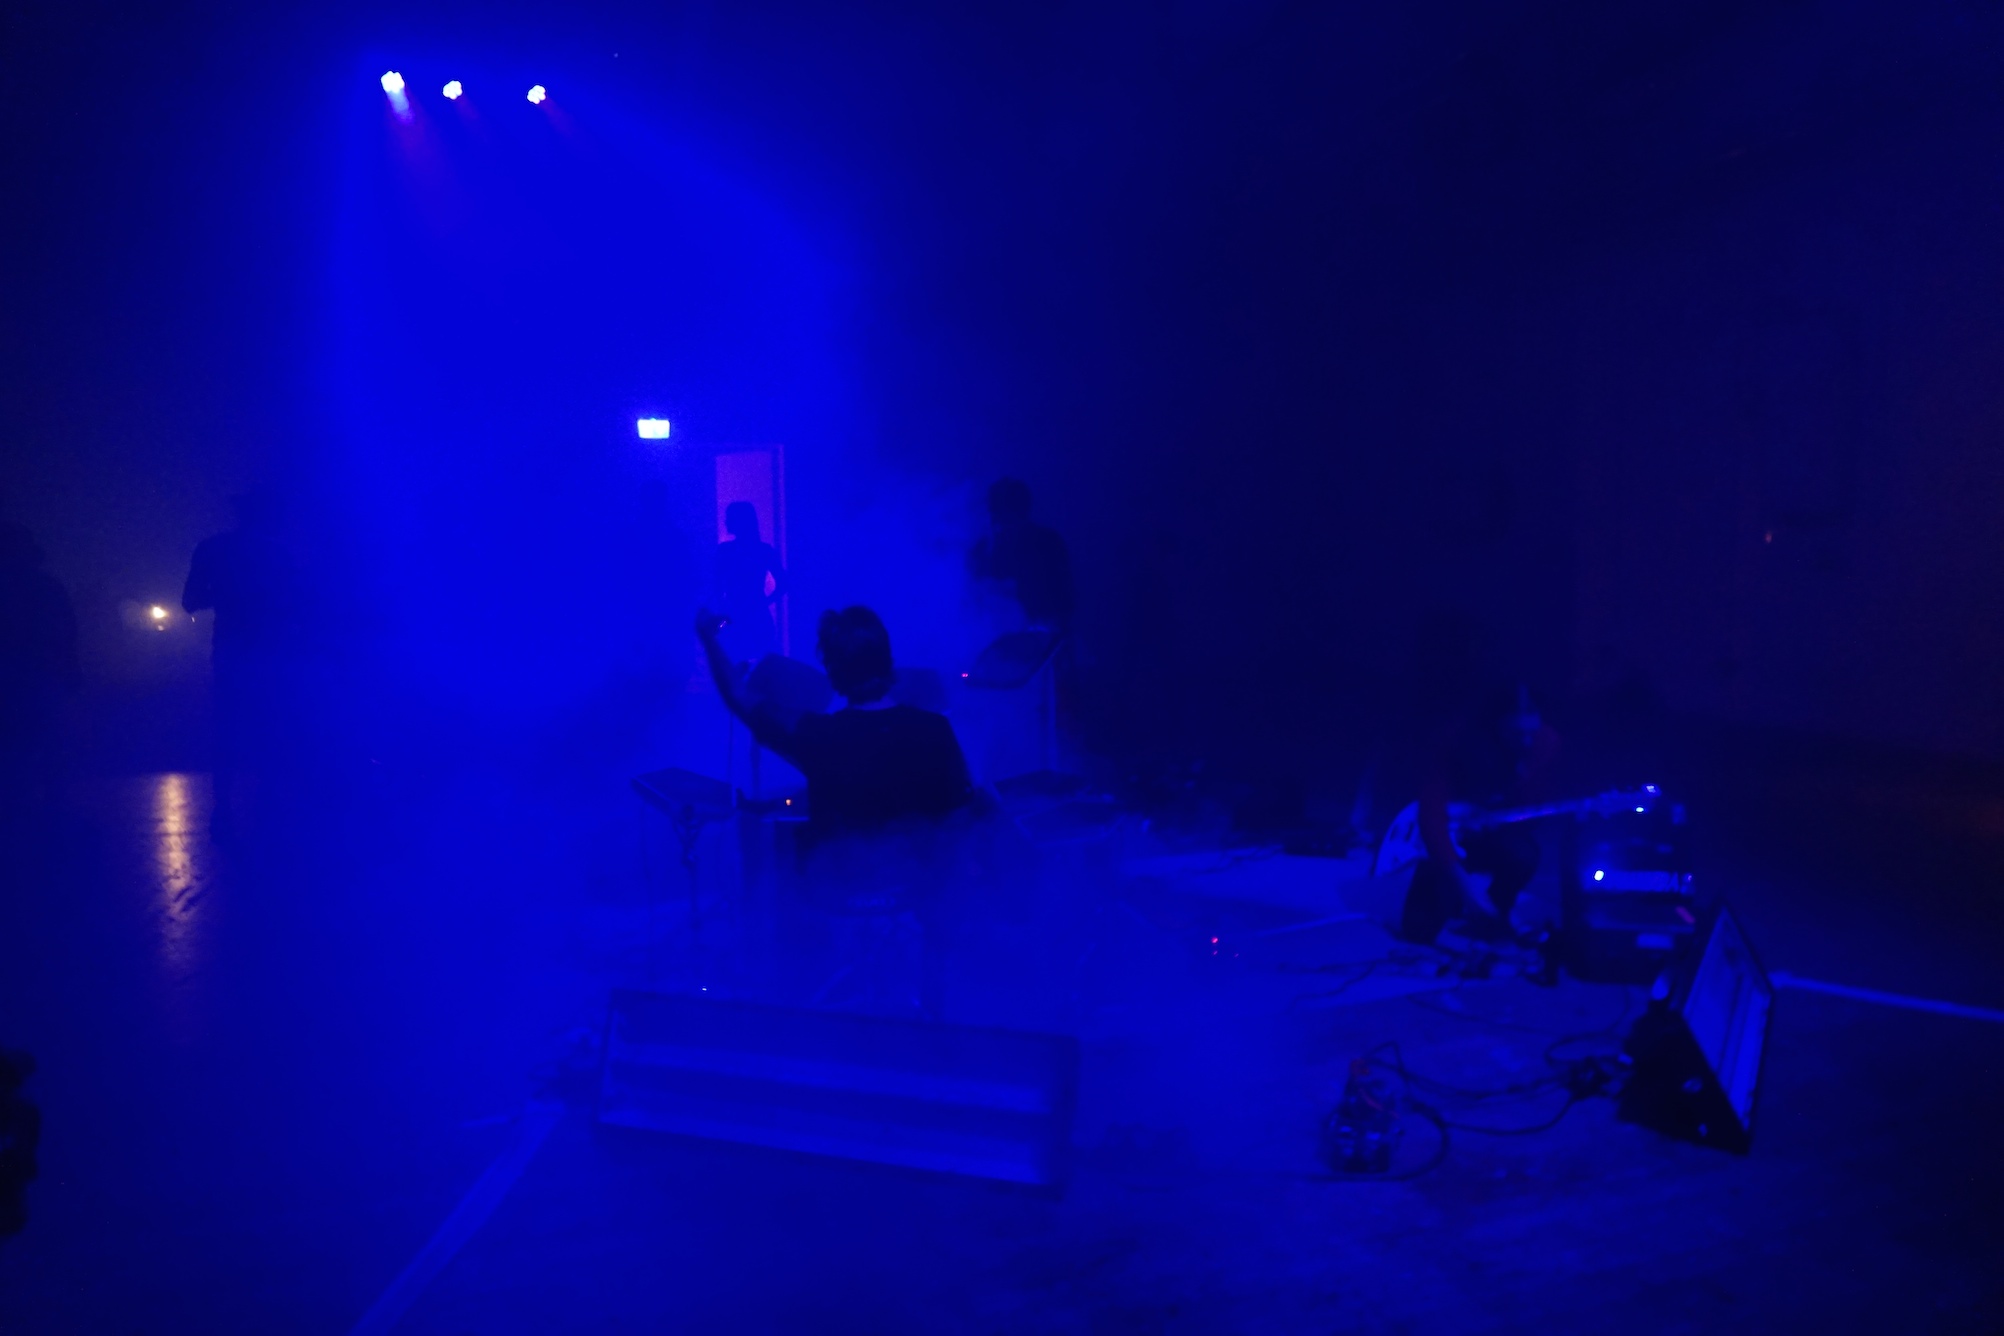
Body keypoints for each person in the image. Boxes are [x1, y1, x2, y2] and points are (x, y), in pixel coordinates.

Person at [696, 603, 971, 838]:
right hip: (928, 882)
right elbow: (966, 819)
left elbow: (739, 696)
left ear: (833, 672)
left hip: (843, 882)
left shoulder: (820, 736)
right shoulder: (936, 730)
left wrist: (708, 637)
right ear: (887, 660)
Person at [1398, 683, 1562, 944]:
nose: (1527, 741)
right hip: (1450, 834)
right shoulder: (1456, 742)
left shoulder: (1544, 743)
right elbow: (1430, 816)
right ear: (1495, 725)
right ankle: (1457, 894)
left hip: (1493, 832)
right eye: (1516, 733)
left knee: (1525, 854)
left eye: (1533, 732)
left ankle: (1496, 912)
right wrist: (1463, 885)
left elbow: (1531, 814)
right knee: (1418, 931)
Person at [183, 492, 302, 836]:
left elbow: (190, 600)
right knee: (273, 727)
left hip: (232, 650)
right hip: (275, 654)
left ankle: (223, 807)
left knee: (228, 727)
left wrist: (227, 593)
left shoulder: (213, 549)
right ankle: (270, 806)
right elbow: (301, 605)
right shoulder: (281, 553)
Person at [0, 524, 79, 797]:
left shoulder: (44, 589)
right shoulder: (47, 588)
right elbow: (66, 634)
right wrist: (71, 672)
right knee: (40, 744)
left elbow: (65, 633)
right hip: (40, 677)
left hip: (22, 676)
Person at [968, 478, 1073, 634]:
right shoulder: (985, 550)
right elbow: (970, 599)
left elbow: (1065, 601)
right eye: (994, 514)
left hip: (1042, 637)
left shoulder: (1046, 543)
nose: (997, 523)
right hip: (994, 639)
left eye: (1003, 516)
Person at [712, 501, 787, 665]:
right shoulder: (762, 551)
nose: (726, 521)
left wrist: (723, 607)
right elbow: (783, 584)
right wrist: (763, 602)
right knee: (757, 661)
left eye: (730, 517)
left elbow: (715, 586)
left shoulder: (725, 551)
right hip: (752, 614)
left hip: (737, 615)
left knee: (737, 662)